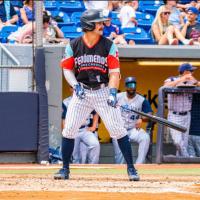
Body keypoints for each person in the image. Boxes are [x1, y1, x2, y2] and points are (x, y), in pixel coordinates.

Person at [54, 9, 140, 181]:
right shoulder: (73, 45)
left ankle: (131, 169)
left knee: (117, 130)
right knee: (69, 129)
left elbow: (115, 73)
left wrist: (113, 92)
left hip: (103, 91)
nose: (102, 25)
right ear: (88, 25)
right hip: (82, 92)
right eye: (99, 23)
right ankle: (64, 169)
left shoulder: (109, 45)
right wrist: (75, 85)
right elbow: (67, 69)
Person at [112, 77, 152, 164]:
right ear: (126, 87)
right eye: (129, 85)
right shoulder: (118, 97)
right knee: (119, 156)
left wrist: (141, 118)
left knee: (145, 137)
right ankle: (119, 170)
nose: (132, 87)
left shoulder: (142, 100)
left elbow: (149, 114)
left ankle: (139, 165)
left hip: (133, 129)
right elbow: (107, 108)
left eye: (133, 85)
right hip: (119, 129)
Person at [163, 63, 199, 157]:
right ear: (185, 72)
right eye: (191, 71)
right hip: (174, 115)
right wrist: (181, 79)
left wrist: (194, 81)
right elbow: (165, 86)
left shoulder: (192, 81)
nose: (192, 72)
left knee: (184, 143)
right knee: (178, 141)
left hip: (187, 115)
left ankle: (181, 164)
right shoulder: (172, 79)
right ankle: (187, 158)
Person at [62, 93, 100, 164]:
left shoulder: (87, 99)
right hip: (72, 129)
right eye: (72, 87)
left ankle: (93, 166)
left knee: (95, 144)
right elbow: (64, 118)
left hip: (84, 129)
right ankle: (75, 171)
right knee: (74, 153)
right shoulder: (66, 101)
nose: (73, 89)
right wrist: (65, 130)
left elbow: (95, 113)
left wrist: (94, 126)